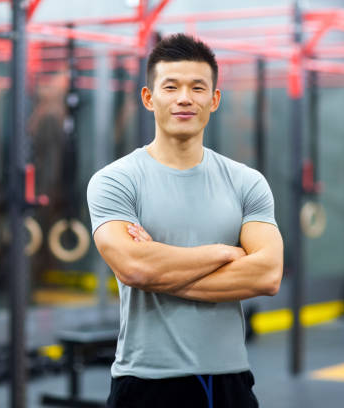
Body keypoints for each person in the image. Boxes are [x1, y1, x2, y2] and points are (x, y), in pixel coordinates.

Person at [87, 33, 284, 408]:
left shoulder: (246, 182)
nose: (184, 98)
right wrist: (224, 252)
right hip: (144, 380)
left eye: (197, 87)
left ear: (214, 99)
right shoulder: (115, 180)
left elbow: (267, 274)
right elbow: (133, 266)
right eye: (171, 86)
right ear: (149, 98)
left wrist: (158, 271)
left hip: (229, 381)